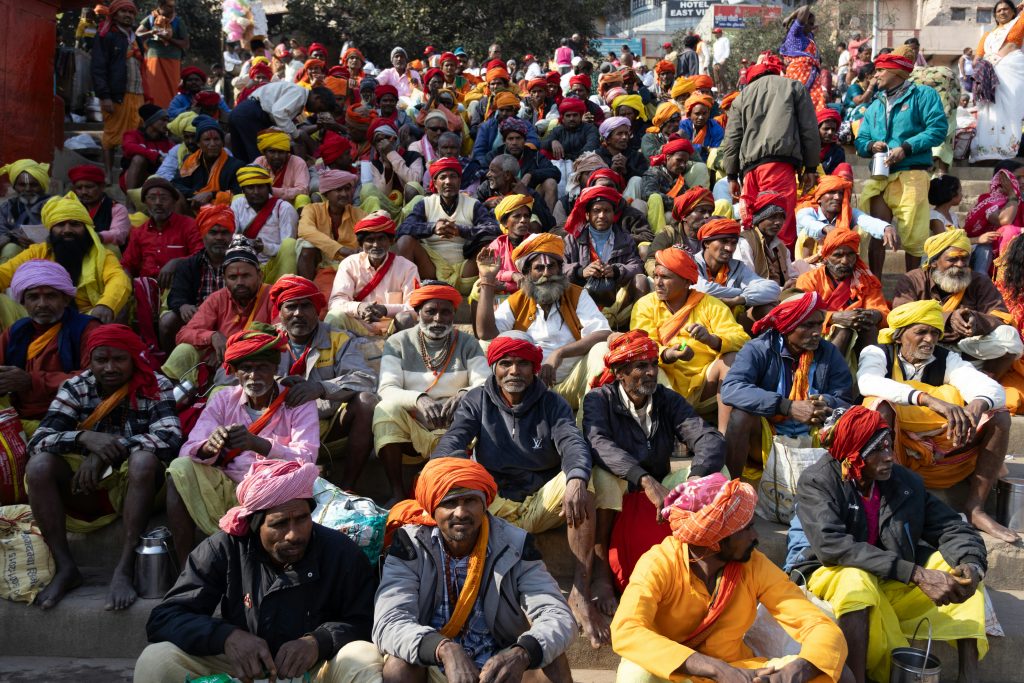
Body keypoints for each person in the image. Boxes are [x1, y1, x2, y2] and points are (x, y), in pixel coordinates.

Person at [431, 334, 612, 648]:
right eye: (506, 363)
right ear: (494, 367)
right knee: (452, 476)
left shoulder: (552, 403)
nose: (514, 370)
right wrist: (446, 467)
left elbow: (573, 443)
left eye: (523, 363)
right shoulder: (476, 400)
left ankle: (580, 591)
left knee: (585, 481)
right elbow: (453, 440)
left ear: (534, 368)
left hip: (541, 502)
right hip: (495, 505)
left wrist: (576, 478)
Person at [790, 406, 990, 683]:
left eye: (888, 446)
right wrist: (916, 574)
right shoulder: (818, 481)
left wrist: (972, 563)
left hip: (890, 576)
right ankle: (856, 678)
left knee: (959, 570)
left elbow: (951, 527)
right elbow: (832, 546)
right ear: (854, 455)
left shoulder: (903, 482)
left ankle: (969, 676)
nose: (889, 456)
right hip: (830, 573)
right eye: (877, 450)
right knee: (856, 580)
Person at [139, 459, 380, 683]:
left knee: (363, 657)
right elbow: (166, 617)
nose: (294, 534)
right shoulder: (224, 547)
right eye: (279, 523)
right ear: (255, 525)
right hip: (242, 669)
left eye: (302, 519)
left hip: (315, 667)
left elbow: (367, 620)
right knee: (157, 660)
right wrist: (226, 637)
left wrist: (320, 641)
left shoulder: (340, 552)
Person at [611, 473, 850, 683]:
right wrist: (715, 669)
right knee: (636, 674)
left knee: (830, 672)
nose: (755, 536)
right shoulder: (658, 563)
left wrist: (798, 671)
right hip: (674, 673)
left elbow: (818, 625)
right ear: (714, 539)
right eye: (745, 529)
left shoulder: (753, 565)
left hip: (741, 673)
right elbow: (626, 629)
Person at [376, 457, 577, 682]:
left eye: (470, 501)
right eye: (450, 502)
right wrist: (444, 649)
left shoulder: (515, 544)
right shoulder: (410, 545)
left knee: (552, 660)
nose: (461, 512)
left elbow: (558, 615)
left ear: (484, 505)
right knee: (398, 667)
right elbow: (390, 622)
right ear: (433, 509)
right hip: (432, 660)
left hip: (498, 665)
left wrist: (522, 653)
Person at [26, 325, 182, 610]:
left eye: (119, 359)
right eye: (101, 360)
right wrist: (83, 438)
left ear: (133, 359)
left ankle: (125, 567)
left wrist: (104, 453)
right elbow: (38, 441)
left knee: (144, 460)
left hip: (139, 485)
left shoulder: (155, 384)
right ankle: (65, 567)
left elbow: (170, 438)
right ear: (90, 360)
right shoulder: (76, 387)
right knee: (38, 466)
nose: (110, 368)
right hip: (86, 486)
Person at [857, 300, 1018, 543]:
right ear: (899, 335)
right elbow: (867, 382)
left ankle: (975, 509)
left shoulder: (946, 358)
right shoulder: (877, 352)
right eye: (921, 332)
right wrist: (928, 400)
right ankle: (891, 500)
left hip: (941, 453)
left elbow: (987, 386)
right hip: (894, 451)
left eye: (934, 333)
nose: (929, 339)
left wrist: (978, 404)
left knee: (1000, 415)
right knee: (877, 406)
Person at [583, 330, 727, 592]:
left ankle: (707, 560)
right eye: (641, 366)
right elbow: (599, 444)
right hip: (625, 485)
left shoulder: (666, 399)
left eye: (653, 364)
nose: (651, 372)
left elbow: (707, 437)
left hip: (662, 485)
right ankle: (601, 572)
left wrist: (696, 478)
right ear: (620, 373)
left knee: (718, 473)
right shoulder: (599, 399)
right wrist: (644, 479)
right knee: (602, 478)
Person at [165, 328, 319, 565]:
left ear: (275, 368)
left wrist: (257, 444)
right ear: (235, 372)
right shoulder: (223, 399)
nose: (253, 375)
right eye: (246, 368)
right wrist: (209, 447)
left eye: (262, 367)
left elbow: (306, 458)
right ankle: (187, 566)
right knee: (179, 469)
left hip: (278, 491)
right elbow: (190, 448)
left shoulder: (297, 401)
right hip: (229, 486)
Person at [373, 283, 489, 505]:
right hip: (414, 426)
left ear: (454, 314)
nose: (438, 319)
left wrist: (463, 395)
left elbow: (484, 383)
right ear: (418, 313)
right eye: (430, 312)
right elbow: (386, 389)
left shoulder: (468, 343)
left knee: (484, 406)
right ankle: (397, 493)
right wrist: (418, 399)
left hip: (458, 427)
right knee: (384, 409)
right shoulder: (398, 342)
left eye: (445, 312)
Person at [722, 292, 854, 478]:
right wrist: (787, 407)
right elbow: (731, 388)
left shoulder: (828, 352)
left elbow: (845, 399)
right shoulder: (758, 348)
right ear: (787, 325)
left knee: (857, 421)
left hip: (816, 435)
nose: (817, 332)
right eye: (808, 325)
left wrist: (826, 404)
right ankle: (730, 486)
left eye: (819, 323)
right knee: (740, 417)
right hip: (768, 436)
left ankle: (844, 484)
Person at [476, 233, 612, 410]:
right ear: (527, 273)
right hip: (527, 387)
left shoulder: (576, 295)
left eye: (551, 267)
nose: (546, 274)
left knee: (602, 350)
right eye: (539, 268)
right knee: (486, 345)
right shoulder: (518, 300)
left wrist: (559, 354)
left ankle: (589, 421)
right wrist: (487, 280)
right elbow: (485, 333)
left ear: (560, 269)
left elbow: (603, 333)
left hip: (571, 383)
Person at [270, 276, 378, 489]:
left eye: (305, 306)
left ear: (318, 310)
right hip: (276, 427)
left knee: (366, 401)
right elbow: (231, 380)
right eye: (291, 307)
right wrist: (277, 383)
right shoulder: (267, 339)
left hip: (326, 426)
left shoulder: (339, 338)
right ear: (280, 312)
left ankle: (347, 488)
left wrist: (321, 388)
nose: (298, 313)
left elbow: (365, 379)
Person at [631, 247, 749, 431]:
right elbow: (643, 345)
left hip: (705, 385)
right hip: (664, 383)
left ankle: (723, 435)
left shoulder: (711, 304)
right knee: (644, 366)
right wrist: (668, 354)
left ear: (687, 281)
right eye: (656, 276)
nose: (658, 283)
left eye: (665, 277)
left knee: (731, 359)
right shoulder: (645, 305)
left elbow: (742, 339)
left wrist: (711, 339)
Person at [856, 51, 948, 271]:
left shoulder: (923, 95)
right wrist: (871, 146)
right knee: (878, 231)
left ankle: (912, 285)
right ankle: (875, 286)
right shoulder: (875, 105)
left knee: (914, 238)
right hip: (881, 175)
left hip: (912, 173)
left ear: (896, 72)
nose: (875, 76)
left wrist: (906, 148)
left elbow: (937, 129)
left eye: (880, 70)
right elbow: (861, 140)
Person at [892, 229, 1023, 380]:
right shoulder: (912, 280)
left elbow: (1000, 316)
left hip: (966, 348)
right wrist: (949, 318)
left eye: (965, 259)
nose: (960, 264)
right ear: (934, 262)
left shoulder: (979, 281)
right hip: (931, 346)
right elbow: (901, 317)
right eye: (953, 259)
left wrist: (976, 320)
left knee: (1009, 336)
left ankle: (985, 380)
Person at [720, 54, 819, 249]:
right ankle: (780, 267)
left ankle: (755, 265)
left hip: (750, 171)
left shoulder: (742, 97)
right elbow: (809, 130)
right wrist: (811, 167)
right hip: (779, 167)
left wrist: (731, 175)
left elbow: (731, 139)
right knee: (780, 224)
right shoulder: (794, 87)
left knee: (751, 222)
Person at [0, 192, 131, 324]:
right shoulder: (38, 252)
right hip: (37, 317)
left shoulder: (102, 255)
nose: (67, 230)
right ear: (51, 230)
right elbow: (4, 273)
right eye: (60, 224)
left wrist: (106, 304)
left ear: (86, 229)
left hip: (85, 319)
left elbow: (118, 279)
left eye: (75, 224)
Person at [0, 261, 100, 426]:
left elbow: (95, 377)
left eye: (51, 296)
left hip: (72, 418)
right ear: (23, 302)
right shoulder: (16, 331)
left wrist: (32, 381)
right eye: (33, 297)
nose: (42, 304)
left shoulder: (87, 328)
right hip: (19, 418)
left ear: (66, 299)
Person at [163, 239, 274, 384]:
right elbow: (183, 334)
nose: (239, 282)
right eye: (233, 277)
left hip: (255, 362)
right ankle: (171, 392)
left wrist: (230, 349)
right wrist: (212, 337)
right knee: (183, 351)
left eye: (246, 276)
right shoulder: (217, 298)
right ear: (224, 279)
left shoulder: (273, 296)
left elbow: (279, 336)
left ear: (260, 276)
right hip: (218, 361)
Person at [396, 158, 500, 296]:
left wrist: (460, 230)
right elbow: (403, 229)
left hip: (466, 270)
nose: (448, 181)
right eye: (443, 177)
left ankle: (486, 291)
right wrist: (432, 228)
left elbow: (493, 230)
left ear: (459, 181)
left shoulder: (473, 204)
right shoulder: (425, 204)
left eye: (453, 176)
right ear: (435, 182)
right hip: (431, 271)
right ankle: (407, 295)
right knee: (405, 240)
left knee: (489, 244)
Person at [561, 186, 649, 329]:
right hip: (581, 304)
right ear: (587, 215)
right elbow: (559, 267)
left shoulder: (624, 239)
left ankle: (637, 330)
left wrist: (616, 271)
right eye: (596, 211)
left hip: (616, 302)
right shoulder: (572, 239)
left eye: (607, 211)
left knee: (641, 280)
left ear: (614, 214)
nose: (602, 215)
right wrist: (580, 272)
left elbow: (637, 266)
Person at [796, 228, 889, 361]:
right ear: (826, 257)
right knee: (844, 330)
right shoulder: (809, 279)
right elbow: (803, 313)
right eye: (838, 255)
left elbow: (882, 311)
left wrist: (874, 315)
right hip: (820, 333)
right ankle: (827, 371)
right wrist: (834, 318)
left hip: (860, 334)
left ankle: (872, 370)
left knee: (869, 328)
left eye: (850, 254)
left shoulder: (866, 280)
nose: (845, 261)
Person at [327, 212, 420, 335]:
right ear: (361, 244)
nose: (376, 245)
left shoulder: (407, 267)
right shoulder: (349, 264)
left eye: (381, 239)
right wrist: (358, 307)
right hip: (359, 326)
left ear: (391, 241)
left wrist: (385, 309)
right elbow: (336, 302)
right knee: (334, 316)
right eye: (370, 240)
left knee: (406, 318)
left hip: (394, 330)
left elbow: (414, 307)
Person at [162, 204, 233, 352]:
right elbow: (175, 295)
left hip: (233, 321)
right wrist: (183, 306)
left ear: (232, 236)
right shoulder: (189, 265)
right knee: (168, 320)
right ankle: (169, 358)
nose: (219, 237)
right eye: (213, 232)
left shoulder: (241, 263)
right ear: (203, 235)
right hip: (198, 322)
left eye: (225, 232)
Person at [795, 175, 896, 276]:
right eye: (831, 192)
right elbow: (809, 223)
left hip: (841, 263)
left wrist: (886, 227)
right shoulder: (806, 212)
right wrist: (828, 229)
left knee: (860, 230)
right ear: (819, 198)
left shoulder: (849, 213)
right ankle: (805, 276)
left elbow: (867, 221)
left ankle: (856, 272)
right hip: (811, 265)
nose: (837, 197)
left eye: (840, 193)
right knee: (805, 233)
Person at [693, 218, 782, 326]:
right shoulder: (691, 263)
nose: (729, 248)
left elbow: (773, 289)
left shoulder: (737, 266)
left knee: (769, 308)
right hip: (698, 324)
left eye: (734, 243)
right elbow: (703, 289)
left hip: (731, 323)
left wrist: (739, 300)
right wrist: (741, 291)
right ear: (707, 243)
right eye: (724, 241)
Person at [91, 0, 145, 176]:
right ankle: (108, 175)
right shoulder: (106, 36)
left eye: (131, 12)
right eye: (123, 12)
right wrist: (104, 96)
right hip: (116, 95)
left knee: (134, 136)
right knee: (112, 136)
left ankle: (128, 175)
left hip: (138, 93)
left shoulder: (136, 39)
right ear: (114, 15)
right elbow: (98, 67)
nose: (128, 15)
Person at [229, 81, 336, 163]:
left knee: (241, 158)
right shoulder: (299, 94)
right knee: (258, 159)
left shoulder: (297, 94)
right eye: (319, 108)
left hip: (242, 112)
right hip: (251, 115)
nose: (316, 112)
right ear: (317, 98)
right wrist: (296, 135)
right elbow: (278, 113)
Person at [120, 177, 201, 284]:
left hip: (180, 286)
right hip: (147, 288)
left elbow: (201, 257)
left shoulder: (189, 226)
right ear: (145, 202)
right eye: (152, 198)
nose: (158, 202)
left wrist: (177, 262)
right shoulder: (139, 232)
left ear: (174, 202)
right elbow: (127, 264)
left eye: (164, 198)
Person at [970, 0, 1024, 162]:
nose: (1002, 12)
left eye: (1006, 9)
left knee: (1010, 109)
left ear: (1013, 12)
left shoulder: (1017, 24)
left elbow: (1012, 45)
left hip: (1010, 70)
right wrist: (983, 70)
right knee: (989, 111)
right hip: (989, 74)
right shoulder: (988, 35)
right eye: (999, 10)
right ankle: (987, 151)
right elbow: (977, 58)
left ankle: (1008, 151)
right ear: (994, 15)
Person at [231, 165, 299, 280]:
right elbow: (230, 236)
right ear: (243, 190)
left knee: (290, 244)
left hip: (275, 265)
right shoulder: (237, 204)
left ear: (269, 188)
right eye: (250, 188)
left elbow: (288, 250)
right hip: (246, 263)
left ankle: (285, 287)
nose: (256, 192)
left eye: (260, 187)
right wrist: (245, 243)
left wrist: (265, 247)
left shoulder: (284, 208)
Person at [488, 118, 560, 211]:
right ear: (504, 141)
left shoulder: (535, 155)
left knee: (551, 183)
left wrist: (531, 174)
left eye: (518, 138)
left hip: (529, 197)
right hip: (500, 199)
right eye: (510, 139)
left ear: (525, 140)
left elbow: (555, 172)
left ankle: (549, 218)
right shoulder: (494, 155)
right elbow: (485, 176)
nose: (514, 143)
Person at [172, 115, 245, 208]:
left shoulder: (236, 166)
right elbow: (176, 184)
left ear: (222, 142)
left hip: (224, 210)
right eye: (207, 140)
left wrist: (211, 194)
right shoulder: (190, 161)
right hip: (193, 206)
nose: (212, 144)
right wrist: (196, 195)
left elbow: (238, 193)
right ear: (198, 143)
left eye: (216, 139)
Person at [475, 155, 556, 233]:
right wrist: (486, 204)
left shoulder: (528, 193)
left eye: (493, 171)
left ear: (507, 175)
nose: (487, 174)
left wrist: (527, 198)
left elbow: (550, 225)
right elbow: (472, 213)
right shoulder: (486, 188)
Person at [646, 187, 714, 271]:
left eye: (710, 212)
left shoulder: (713, 237)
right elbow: (651, 260)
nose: (707, 216)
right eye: (702, 211)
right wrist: (665, 274)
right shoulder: (669, 234)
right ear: (684, 216)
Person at [136, 0, 188, 108]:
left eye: (173, 7)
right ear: (160, 5)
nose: (172, 9)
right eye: (169, 6)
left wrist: (167, 38)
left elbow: (185, 43)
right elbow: (137, 34)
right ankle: (154, 113)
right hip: (153, 59)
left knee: (172, 88)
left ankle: (170, 113)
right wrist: (150, 32)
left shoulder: (178, 22)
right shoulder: (150, 19)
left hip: (173, 60)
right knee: (153, 88)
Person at [736, 193, 795, 289]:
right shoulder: (745, 243)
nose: (778, 222)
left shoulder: (781, 247)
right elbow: (746, 282)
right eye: (772, 217)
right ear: (759, 219)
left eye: (781, 217)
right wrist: (780, 290)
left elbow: (792, 276)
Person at [68, 164, 131, 247]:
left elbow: (119, 234)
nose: (84, 192)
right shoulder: (72, 207)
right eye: (79, 188)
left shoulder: (117, 209)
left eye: (89, 187)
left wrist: (96, 237)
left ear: (102, 186)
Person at [0, 159, 51, 259]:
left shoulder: (54, 205)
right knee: (10, 249)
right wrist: (14, 238)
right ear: (14, 187)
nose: (27, 189)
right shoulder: (7, 207)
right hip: (16, 254)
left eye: (34, 185)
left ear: (42, 186)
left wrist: (41, 244)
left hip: (47, 253)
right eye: (22, 185)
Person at [780, 5, 827, 109]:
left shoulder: (808, 36)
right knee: (798, 104)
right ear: (803, 22)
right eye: (810, 23)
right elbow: (805, 8)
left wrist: (811, 26)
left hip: (811, 77)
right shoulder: (795, 33)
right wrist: (790, 18)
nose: (812, 27)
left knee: (814, 107)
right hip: (798, 74)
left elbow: (816, 28)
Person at [120, 103, 171, 191]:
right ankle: (131, 196)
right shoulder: (133, 135)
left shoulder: (168, 142)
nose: (167, 124)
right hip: (133, 179)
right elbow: (128, 147)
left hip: (156, 181)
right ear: (151, 121)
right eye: (163, 120)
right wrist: (156, 156)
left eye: (168, 121)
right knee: (139, 159)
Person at [252, 128, 310, 203]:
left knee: (302, 198)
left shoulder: (298, 162)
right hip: (263, 203)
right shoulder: (259, 161)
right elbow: (251, 185)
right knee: (239, 197)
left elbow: (303, 190)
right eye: (272, 151)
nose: (276, 156)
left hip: (289, 204)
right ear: (264, 152)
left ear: (287, 152)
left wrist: (272, 191)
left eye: (281, 152)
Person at [678, 93, 723, 165]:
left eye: (704, 113)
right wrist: (702, 148)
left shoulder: (715, 128)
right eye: (697, 114)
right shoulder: (683, 126)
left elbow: (717, 151)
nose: (701, 117)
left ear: (709, 113)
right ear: (689, 114)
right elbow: (681, 147)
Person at [816, 109, 846, 175]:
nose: (830, 132)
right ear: (817, 129)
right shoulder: (806, 148)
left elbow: (836, 176)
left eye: (833, 129)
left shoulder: (837, 152)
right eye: (826, 129)